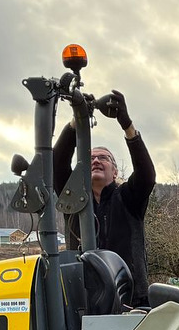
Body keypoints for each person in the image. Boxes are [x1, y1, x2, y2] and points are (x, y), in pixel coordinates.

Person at [52, 90, 155, 306]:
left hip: (131, 298)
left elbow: (146, 175)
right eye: (90, 158)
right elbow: (57, 164)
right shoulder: (73, 199)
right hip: (83, 298)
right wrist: (77, 120)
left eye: (104, 158)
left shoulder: (128, 198)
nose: (96, 161)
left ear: (115, 172)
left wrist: (127, 126)